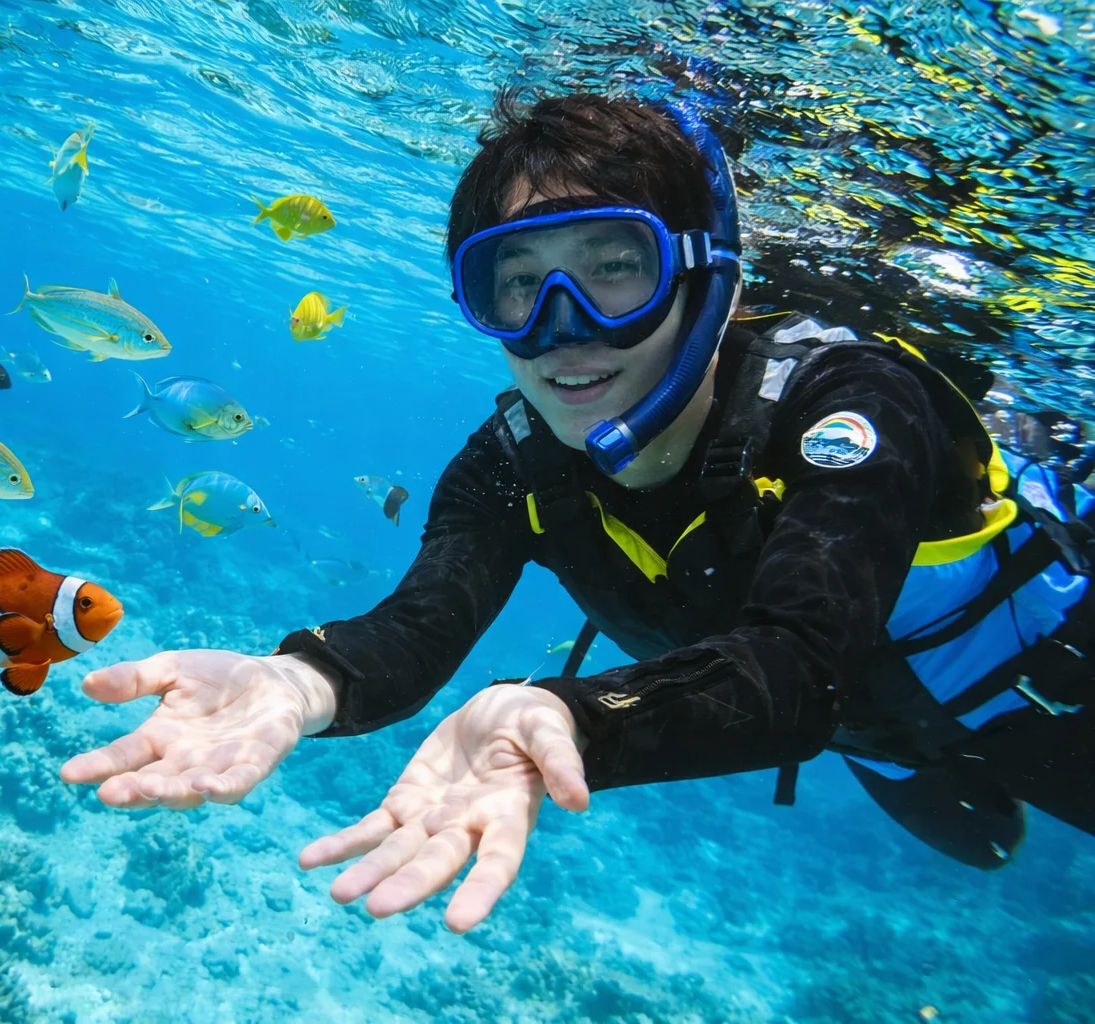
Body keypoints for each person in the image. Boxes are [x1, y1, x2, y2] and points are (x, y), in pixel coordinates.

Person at [61, 91, 1095, 933]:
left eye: (614, 268)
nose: (564, 330)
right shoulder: (514, 462)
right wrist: (299, 678)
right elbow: (420, 625)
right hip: (883, 741)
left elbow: (798, 663)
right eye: (514, 284)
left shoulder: (847, 404)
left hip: (1049, 689)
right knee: (985, 843)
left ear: (703, 271)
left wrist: (564, 714)